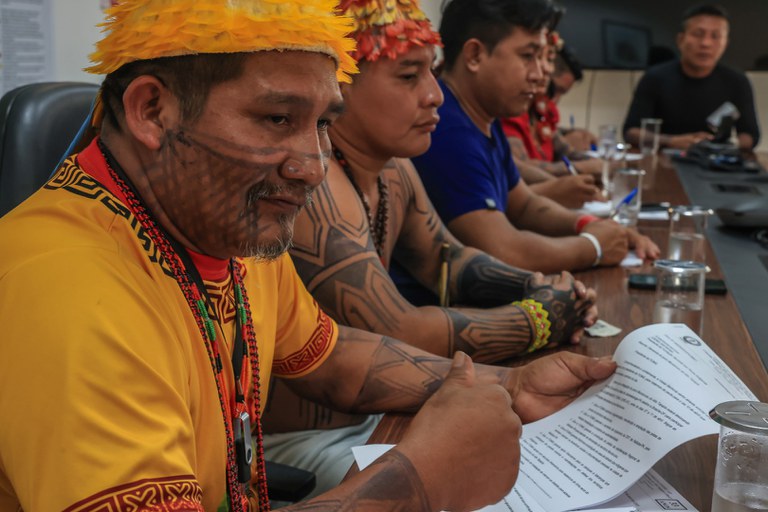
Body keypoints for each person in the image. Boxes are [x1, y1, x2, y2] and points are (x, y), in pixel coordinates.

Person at [0, 1, 618, 511]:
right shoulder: (68, 291)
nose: (313, 168)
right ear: (151, 111)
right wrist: (419, 479)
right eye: (275, 118)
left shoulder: (224, 227)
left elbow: (333, 356)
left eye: (322, 124)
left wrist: (508, 383)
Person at [262, 0, 599, 494]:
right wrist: (541, 318)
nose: (435, 95)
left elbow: (449, 259)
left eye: (431, 75)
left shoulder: (394, 169)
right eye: (408, 76)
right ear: (338, 88)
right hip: (302, 447)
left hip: (374, 418)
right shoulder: (317, 185)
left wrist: (539, 285)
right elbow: (397, 328)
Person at [410, 0, 660, 275]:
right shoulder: (446, 130)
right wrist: (594, 247)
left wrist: (590, 225)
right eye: (528, 56)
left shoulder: (482, 117)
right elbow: (504, 251)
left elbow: (525, 205)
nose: (540, 75)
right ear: (474, 56)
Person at [623, 4, 760, 151]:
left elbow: (750, 135)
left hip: (714, 162)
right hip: (664, 159)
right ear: (680, 40)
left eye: (715, 36)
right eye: (698, 34)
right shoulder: (654, 77)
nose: (705, 43)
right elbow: (631, 132)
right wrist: (672, 141)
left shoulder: (737, 81)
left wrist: (724, 144)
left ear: (725, 43)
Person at [501, 32, 602, 209]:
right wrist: (582, 169)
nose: (546, 69)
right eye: (534, 58)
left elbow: (565, 150)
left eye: (548, 59)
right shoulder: (510, 108)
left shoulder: (541, 108)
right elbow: (519, 167)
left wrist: (602, 165)